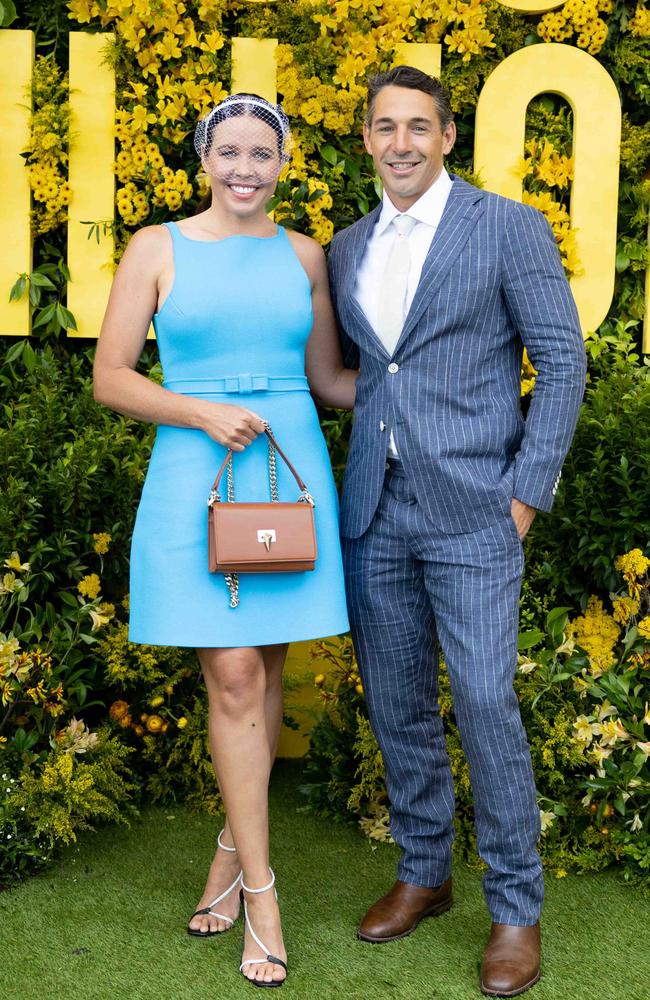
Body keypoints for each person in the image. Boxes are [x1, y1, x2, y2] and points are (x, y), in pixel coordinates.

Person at [328, 66, 586, 997]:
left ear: (446, 138)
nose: (401, 142)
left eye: (418, 127)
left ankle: (516, 909)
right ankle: (425, 873)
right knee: (397, 704)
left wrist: (524, 496)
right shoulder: (347, 244)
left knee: (482, 702)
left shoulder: (506, 227)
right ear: (366, 139)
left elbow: (562, 363)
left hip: (477, 508)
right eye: (384, 127)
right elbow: (372, 372)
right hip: (376, 510)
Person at [94, 93, 355, 988]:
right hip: (194, 467)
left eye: (263, 153)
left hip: (288, 467)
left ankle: (226, 853)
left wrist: (436, 380)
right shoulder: (156, 248)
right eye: (229, 151)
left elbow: (325, 378)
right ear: (205, 159)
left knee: (269, 670)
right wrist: (201, 410)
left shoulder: (306, 255)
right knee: (235, 671)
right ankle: (263, 889)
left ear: (283, 164)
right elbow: (111, 376)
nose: (246, 168)